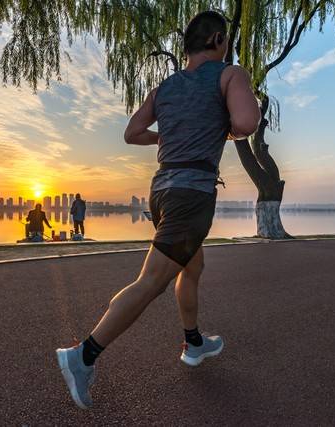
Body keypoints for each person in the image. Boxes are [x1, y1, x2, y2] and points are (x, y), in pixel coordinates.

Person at [55, 10, 261, 409]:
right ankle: (83, 355)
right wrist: (225, 127)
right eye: (227, 43)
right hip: (191, 196)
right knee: (151, 281)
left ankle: (194, 342)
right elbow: (247, 121)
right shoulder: (230, 73)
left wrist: (168, 134)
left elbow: (132, 133)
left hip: (162, 191)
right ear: (218, 40)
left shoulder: (165, 87)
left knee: (192, 266)